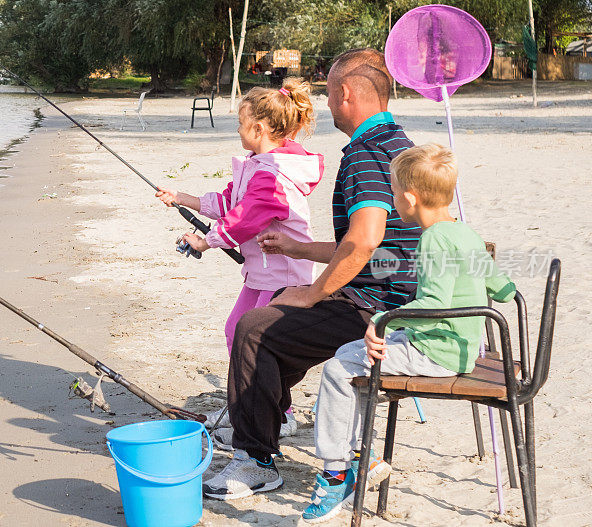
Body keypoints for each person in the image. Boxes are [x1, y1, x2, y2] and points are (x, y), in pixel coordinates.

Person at [203, 48, 420, 500]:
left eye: (328, 94)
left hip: (380, 310)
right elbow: (374, 247)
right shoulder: (400, 144)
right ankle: (264, 420)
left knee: (254, 329)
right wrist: (299, 249)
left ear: (344, 93)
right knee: (277, 319)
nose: (325, 104)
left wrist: (312, 292)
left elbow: (364, 240)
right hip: (396, 295)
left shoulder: (364, 153)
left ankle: (254, 459)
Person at [299, 143, 516, 522]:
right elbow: (504, 289)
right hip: (464, 347)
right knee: (354, 358)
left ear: (410, 199)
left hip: (438, 352)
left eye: (395, 193)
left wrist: (382, 319)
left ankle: (337, 474)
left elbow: (432, 305)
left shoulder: (433, 240)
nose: (394, 200)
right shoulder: (464, 232)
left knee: (338, 369)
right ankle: (362, 454)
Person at [155, 78, 324, 437]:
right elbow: (230, 203)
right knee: (236, 329)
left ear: (258, 128)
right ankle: (246, 400)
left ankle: (282, 412)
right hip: (261, 272)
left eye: (240, 124)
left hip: (285, 274)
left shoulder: (274, 173)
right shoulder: (254, 163)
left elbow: (247, 219)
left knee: (263, 341)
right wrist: (183, 198)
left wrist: (206, 243)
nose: (237, 130)